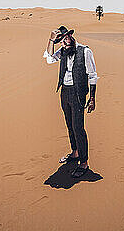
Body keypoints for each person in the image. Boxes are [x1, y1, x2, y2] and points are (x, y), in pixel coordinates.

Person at [43, 25, 97, 178]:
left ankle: (84, 163)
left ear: (71, 37)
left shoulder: (85, 51)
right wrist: (51, 40)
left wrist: (92, 98)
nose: (65, 42)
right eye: (62, 40)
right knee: (69, 124)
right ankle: (75, 152)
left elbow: (92, 75)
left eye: (66, 38)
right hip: (64, 91)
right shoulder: (63, 51)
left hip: (78, 93)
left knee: (78, 127)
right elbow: (49, 59)